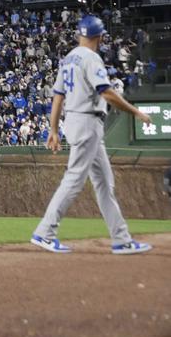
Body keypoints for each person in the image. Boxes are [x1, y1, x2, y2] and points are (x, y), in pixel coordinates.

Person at [31, 15, 153, 255]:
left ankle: (121, 239)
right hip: (87, 121)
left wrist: (54, 129)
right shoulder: (92, 58)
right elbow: (106, 92)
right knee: (74, 179)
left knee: (104, 183)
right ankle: (45, 232)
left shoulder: (69, 58)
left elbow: (57, 96)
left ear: (80, 34)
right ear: (100, 36)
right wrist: (135, 111)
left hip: (77, 120)